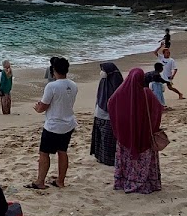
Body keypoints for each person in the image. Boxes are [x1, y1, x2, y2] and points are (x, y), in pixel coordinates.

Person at [108, 68, 163, 194]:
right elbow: (158, 109)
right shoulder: (147, 93)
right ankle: (147, 183)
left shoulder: (121, 94)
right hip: (145, 136)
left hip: (126, 136)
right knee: (144, 159)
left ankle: (125, 181)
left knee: (127, 159)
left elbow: (110, 104)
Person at [27, 56, 78, 190]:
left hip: (54, 125)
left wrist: (37, 108)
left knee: (44, 153)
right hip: (68, 123)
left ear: (53, 70)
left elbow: (43, 106)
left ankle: (40, 181)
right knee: (62, 152)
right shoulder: (73, 85)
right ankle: (60, 181)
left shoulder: (52, 86)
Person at [90, 62, 123, 166]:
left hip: (110, 116)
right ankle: (99, 157)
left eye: (104, 70)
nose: (102, 72)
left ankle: (108, 160)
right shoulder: (103, 81)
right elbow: (99, 97)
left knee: (108, 139)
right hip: (99, 113)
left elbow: (118, 99)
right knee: (99, 137)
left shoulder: (117, 83)